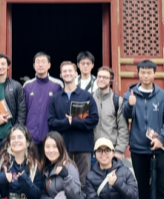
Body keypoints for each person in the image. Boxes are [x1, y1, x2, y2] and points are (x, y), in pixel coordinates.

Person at [122, 59, 164, 199]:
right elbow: (126, 116)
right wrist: (129, 104)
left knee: (162, 187)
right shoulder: (130, 94)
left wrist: (161, 138)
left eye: (149, 72)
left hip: (157, 148)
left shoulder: (163, 95)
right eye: (142, 72)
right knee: (143, 186)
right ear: (138, 73)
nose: (145, 75)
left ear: (154, 74)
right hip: (138, 147)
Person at [47, 61, 98, 191]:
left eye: (70, 71)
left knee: (84, 181)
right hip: (62, 145)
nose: (67, 73)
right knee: (62, 179)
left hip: (83, 144)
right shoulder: (56, 98)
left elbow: (94, 119)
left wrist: (74, 122)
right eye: (64, 71)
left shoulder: (86, 96)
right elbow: (51, 121)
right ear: (60, 75)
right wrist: (66, 122)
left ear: (76, 73)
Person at [23, 52, 63, 155]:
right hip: (30, 136)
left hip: (50, 136)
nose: (40, 64)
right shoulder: (27, 86)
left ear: (49, 65)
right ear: (34, 65)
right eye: (38, 62)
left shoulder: (57, 85)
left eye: (43, 62)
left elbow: (60, 110)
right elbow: (23, 110)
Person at [93, 66, 128, 161]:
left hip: (111, 150)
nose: (101, 79)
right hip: (93, 150)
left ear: (111, 81)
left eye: (105, 77)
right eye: (99, 76)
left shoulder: (117, 101)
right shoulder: (90, 98)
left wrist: (119, 151)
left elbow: (123, 128)